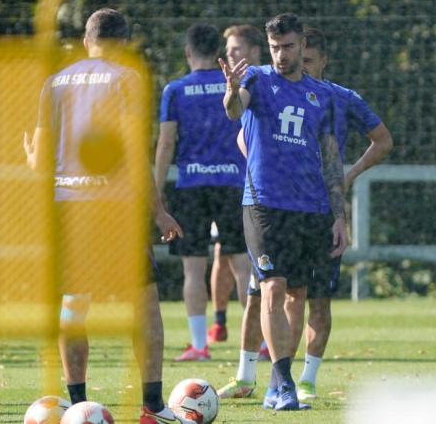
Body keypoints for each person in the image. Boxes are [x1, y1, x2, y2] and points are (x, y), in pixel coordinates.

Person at [23, 8, 193, 424]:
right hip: (114, 209)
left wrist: (31, 159)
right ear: (125, 43)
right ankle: (152, 406)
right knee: (144, 305)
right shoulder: (127, 79)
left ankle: (76, 402)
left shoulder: (55, 82)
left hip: (68, 207)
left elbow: (40, 163)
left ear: (86, 40)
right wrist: (159, 212)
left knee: (73, 306)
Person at [217, 27, 393, 403]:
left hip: (309, 210)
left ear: (305, 49)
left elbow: (332, 159)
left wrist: (339, 210)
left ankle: (278, 384)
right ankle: (283, 383)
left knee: (298, 294)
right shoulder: (257, 78)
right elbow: (235, 114)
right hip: (263, 204)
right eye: (275, 47)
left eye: (289, 47)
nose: (281, 55)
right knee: (270, 288)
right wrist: (231, 91)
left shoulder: (328, 97)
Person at [154, 23, 248, 362]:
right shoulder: (234, 87)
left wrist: (157, 188)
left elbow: (166, 142)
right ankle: (257, 345)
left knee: (193, 269)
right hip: (233, 185)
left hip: (191, 186)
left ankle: (199, 346)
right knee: (242, 265)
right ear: (218, 54)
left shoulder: (175, 90)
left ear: (187, 52)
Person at [207, 25, 265, 346]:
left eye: (235, 51)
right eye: (227, 51)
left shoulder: (258, 82)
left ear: (254, 51)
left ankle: (254, 336)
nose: (229, 56)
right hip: (220, 184)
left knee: (242, 261)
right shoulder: (229, 84)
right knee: (223, 255)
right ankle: (219, 323)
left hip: (245, 185)